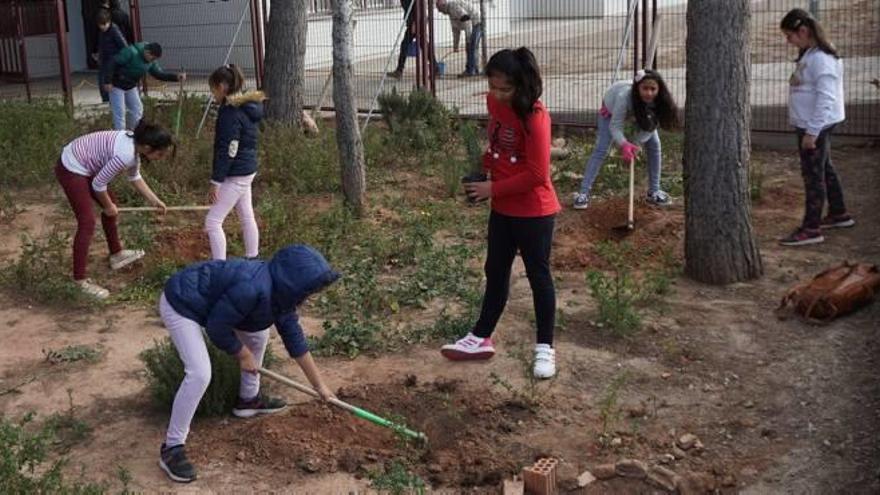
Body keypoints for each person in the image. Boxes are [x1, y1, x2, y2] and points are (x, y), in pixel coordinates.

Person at [157, 244, 339, 483]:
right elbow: (217, 327)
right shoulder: (251, 288)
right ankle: (172, 447)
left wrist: (320, 386)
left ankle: (248, 400)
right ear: (293, 284)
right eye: (309, 290)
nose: (310, 296)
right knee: (200, 373)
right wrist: (242, 355)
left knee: (259, 334)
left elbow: (295, 340)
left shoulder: (282, 295)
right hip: (183, 302)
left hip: (213, 303)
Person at [441, 48, 561, 379]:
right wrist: (486, 166)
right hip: (503, 207)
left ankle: (545, 348)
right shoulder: (494, 103)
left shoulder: (536, 117)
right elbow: (500, 145)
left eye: (504, 89)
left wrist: (491, 188)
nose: (496, 95)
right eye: (492, 86)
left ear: (522, 86)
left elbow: (538, 174)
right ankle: (480, 336)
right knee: (495, 269)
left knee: (539, 277)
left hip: (535, 211)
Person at [54, 121, 172, 299]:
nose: (161, 157)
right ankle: (79, 281)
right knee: (87, 221)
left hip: (87, 164)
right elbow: (98, 184)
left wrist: (154, 200)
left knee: (111, 204)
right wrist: (108, 206)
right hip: (71, 167)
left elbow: (135, 177)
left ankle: (116, 254)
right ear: (147, 147)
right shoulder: (124, 154)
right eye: (160, 153)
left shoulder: (134, 147)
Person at [778, 8, 852, 246]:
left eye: (790, 36)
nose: (788, 41)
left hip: (815, 126)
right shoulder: (810, 53)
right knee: (824, 167)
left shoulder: (821, 59)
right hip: (812, 124)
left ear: (803, 31)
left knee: (813, 175)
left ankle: (811, 228)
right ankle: (839, 213)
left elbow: (826, 98)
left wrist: (812, 132)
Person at [572, 69, 679, 210]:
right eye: (645, 88)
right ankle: (583, 193)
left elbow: (650, 127)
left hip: (640, 113)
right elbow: (615, 126)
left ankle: (654, 191)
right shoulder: (624, 97)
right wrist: (624, 144)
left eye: (653, 89)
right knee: (601, 148)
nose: (649, 93)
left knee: (655, 144)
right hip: (610, 108)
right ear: (637, 88)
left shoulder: (659, 102)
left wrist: (635, 144)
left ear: (659, 89)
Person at [204, 64, 265, 260]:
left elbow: (228, 149)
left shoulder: (230, 111)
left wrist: (216, 182)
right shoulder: (247, 106)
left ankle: (219, 267)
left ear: (222, 86)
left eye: (213, 88)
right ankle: (252, 258)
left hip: (237, 173)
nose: (212, 93)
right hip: (247, 169)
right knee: (246, 215)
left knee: (213, 221)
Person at [104, 42, 186, 130]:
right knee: (120, 112)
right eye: (152, 58)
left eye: (155, 59)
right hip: (116, 86)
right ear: (147, 52)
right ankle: (119, 137)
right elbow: (112, 62)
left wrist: (176, 77)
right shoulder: (131, 52)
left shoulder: (151, 62)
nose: (153, 61)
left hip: (131, 86)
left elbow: (158, 74)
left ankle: (133, 132)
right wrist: (107, 81)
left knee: (137, 109)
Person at [436, 0, 483, 77]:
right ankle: (474, 69)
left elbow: (467, 20)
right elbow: (456, 32)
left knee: (471, 47)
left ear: (443, 6)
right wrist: (456, 46)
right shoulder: (451, 13)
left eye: (439, 9)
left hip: (476, 23)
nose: (440, 12)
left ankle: (470, 71)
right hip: (474, 24)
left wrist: (468, 39)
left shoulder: (453, 7)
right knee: (473, 48)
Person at [94, 9, 128, 104]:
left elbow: (124, 46)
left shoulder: (114, 30)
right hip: (104, 59)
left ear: (109, 22)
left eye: (104, 24)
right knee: (101, 79)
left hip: (113, 60)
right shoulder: (101, 32)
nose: (102, 27)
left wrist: (121, 59)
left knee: (111, 80)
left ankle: (113, 99)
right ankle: (105, 99)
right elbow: (101, 45)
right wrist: (99, 55)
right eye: (100, 25)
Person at [386, 0, 416, 80]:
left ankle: (399, 70)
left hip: (415, 23)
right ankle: (436, 67)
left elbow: (417, 6)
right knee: (423, 45)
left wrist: (415, 23)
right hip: (412, 22)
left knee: (405, 45)